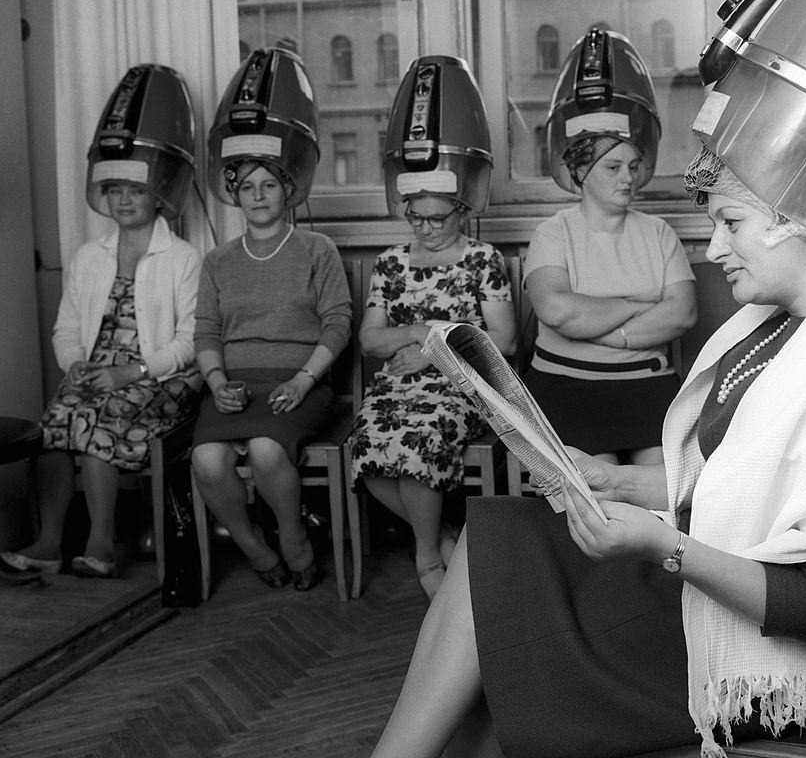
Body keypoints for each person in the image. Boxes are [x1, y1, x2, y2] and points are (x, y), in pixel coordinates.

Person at [368, 145, 806, 758]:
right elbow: (736, 482)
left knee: (499, 585)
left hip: (768, 653)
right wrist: (621, 485)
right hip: (707, 573)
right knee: (498, 548)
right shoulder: (798, 324)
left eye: (732, 223)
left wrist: (660, 546)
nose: (715, 248)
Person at [1, 181, 201, 579]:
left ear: (157, 197)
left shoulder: (183, 257)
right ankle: (49, 544)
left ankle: (101, 543)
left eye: (136, 191)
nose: (124, 200)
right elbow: (67, 329)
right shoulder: (89, 256)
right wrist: (74, 363)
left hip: (161, 377)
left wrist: (132, 372)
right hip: (98, 375)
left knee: (99, 417)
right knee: (54, 423)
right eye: (114, 191)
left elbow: (190, 341)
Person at [189, 158, 352, 592]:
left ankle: (293, 536)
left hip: (301, 381)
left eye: (268, 185)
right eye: (247, 188)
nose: (258, 195)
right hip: (235, 386)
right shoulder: (217, 261)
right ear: (235, 196)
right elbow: (205, 331)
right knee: (206, 461)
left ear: (288, 191)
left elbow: (338, 323)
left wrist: (303, 380)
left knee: (265, 449)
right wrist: (217, 383)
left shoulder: (317, 249)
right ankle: (253, 546)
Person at [349, 191, 517, 600]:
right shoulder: (390, 262)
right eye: (415, 218)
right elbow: (369, 339)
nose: (425, 228)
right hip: (396, 383)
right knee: (366, 448)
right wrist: (412, 332)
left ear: (461, 211)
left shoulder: (483, 259)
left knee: (419, 442)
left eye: (437, 219)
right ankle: (444, 537)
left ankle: (426, 559)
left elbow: (504, 340)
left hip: (463, 381)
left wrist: (433, 352)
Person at [524, 132, 697, 464]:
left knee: (662, 485)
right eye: (613, 167)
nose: (628, 178)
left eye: (633, 167)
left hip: (645, 384)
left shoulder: (659, 232)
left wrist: (600, 330)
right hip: (567, 385)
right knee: (600, 491)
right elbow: (558, 312)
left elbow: (683, 313)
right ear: (582, 174)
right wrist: (637, 306)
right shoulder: (552, 232)